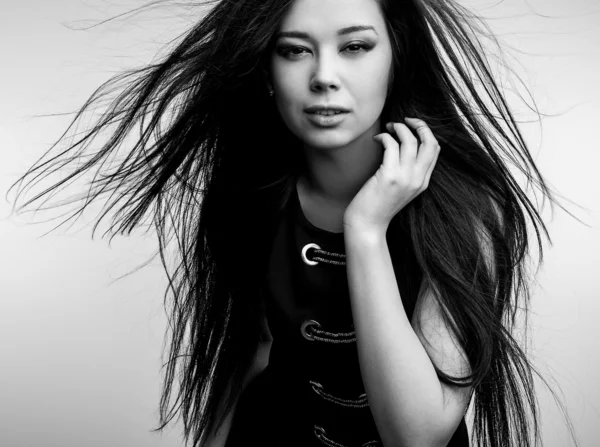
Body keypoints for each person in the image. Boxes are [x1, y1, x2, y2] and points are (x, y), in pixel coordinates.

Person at [8, 0, 580, 446]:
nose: (324, 76)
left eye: (356, 46)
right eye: (294, 50)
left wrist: (365, 231)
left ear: (397, 57)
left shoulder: (466, 209)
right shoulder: (252, 194)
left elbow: (419, 435)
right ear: (265, 71)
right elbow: (249, 356)